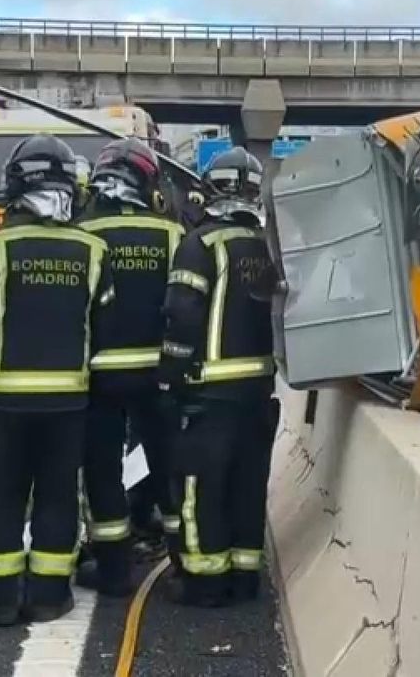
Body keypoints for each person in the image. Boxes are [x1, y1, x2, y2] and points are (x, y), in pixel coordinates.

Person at [0, 133, 115, 626]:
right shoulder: (93, 251)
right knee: (58, 496)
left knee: (0, 495)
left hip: (1, 403)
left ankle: (1, 599)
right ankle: (48, 595)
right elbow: (105, 325)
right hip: (68, 406)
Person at [159, 147, 280, 608]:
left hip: (208, 394)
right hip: (259, 392)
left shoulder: (200, 245)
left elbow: (182, 315)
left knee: (199, 488)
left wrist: (171, 377)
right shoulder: (268, 247)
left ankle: (204, 582)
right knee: (247, 487)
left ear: (210, 189)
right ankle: (245, 577)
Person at [75, 138, 182, 596]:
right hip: (158, 375)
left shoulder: (80, 235)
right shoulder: (171, 234)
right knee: (169, 467)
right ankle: (189, 562)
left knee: (102, 472)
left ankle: (114, 571)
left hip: (97, 376)